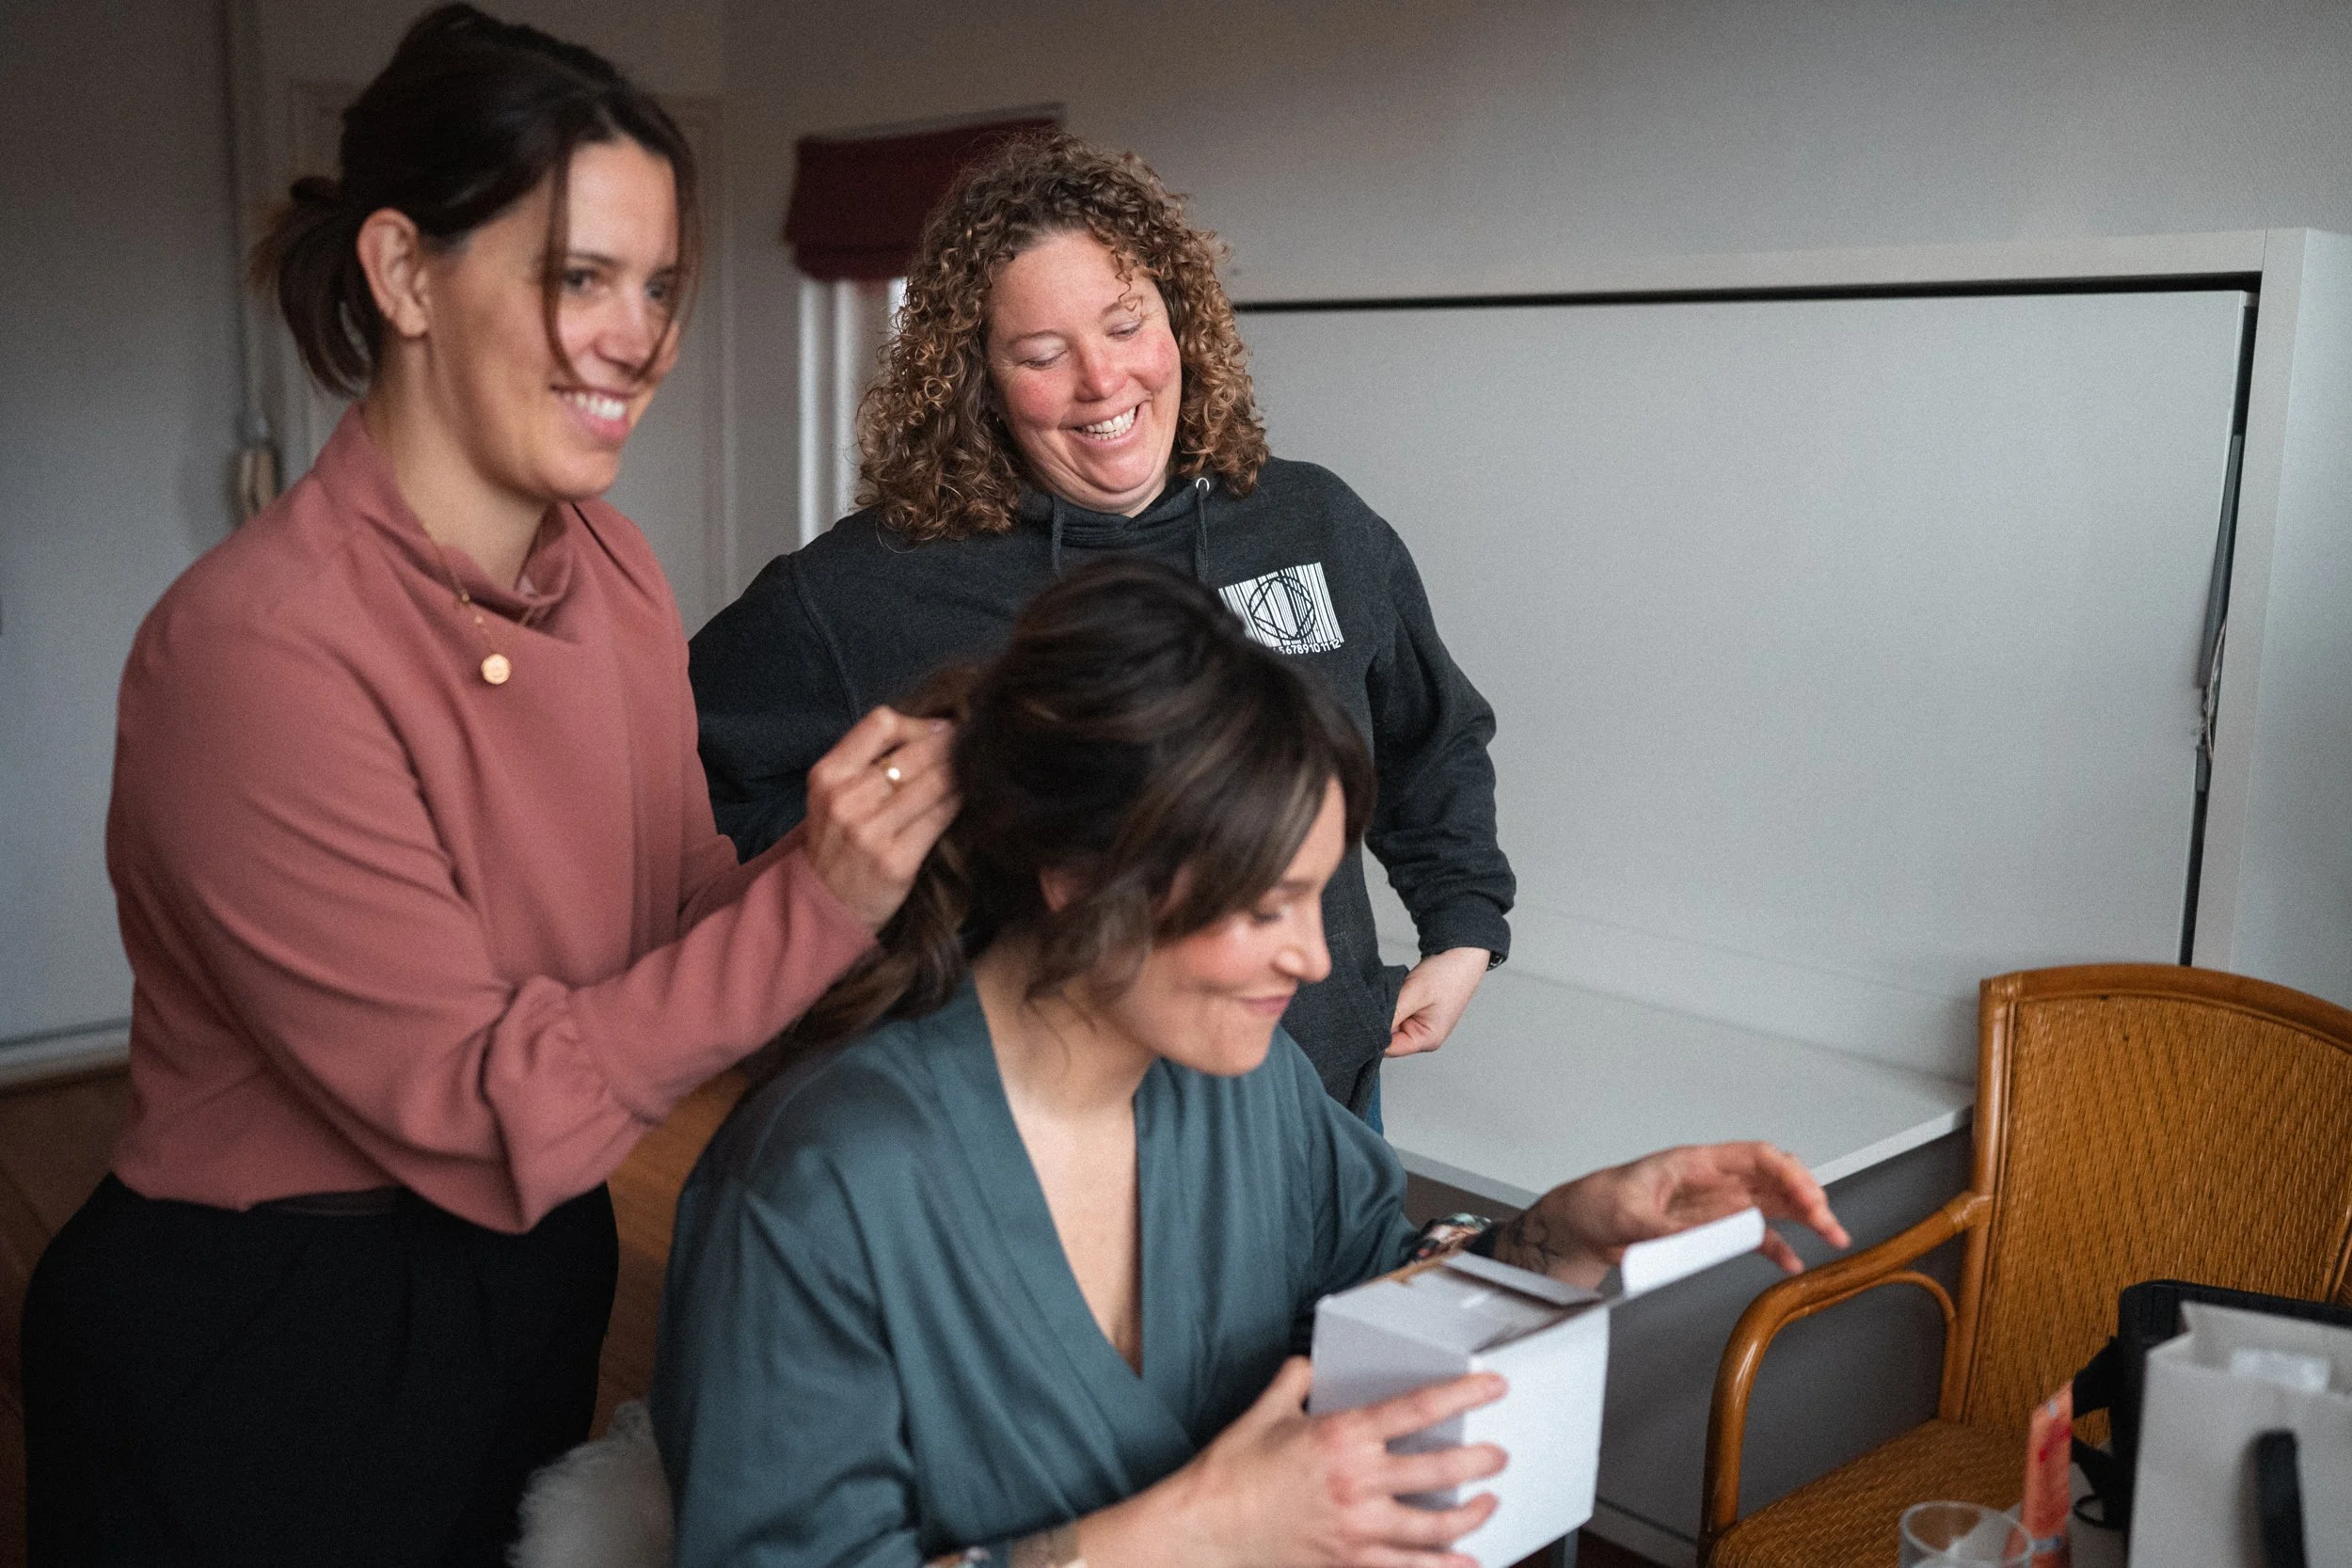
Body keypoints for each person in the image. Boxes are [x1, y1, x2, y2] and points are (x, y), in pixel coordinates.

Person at [21, 9, 953, 1565]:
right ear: (402, 276)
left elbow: (675, 911)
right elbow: (479, 1110)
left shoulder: (612, 566)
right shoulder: (254, 647)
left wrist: (896, 861)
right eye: (578, 276)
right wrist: (821, 893)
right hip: (265, 1331)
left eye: (658, 287)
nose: (635, 337)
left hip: (529, 1272)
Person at [655, 559, 1848, 1568]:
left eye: (1316, 899)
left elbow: (1370, 1321)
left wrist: (1563, 1236)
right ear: (1076, 870)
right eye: (1263, 905)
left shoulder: (1252, 1088)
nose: (1315, 960)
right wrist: (1190, 1531)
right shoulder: (817, 1186)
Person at [689, 133, 1510, 1122]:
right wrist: (893, 906)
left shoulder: (1317, 523)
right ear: (977, 378)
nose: (1101, 380)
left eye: (1125, 325)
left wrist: (1462, 926)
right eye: (1041, 354)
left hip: (1315, 1094)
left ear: (1180, 319)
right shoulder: (863, 589)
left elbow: (1432, 736)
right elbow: (688, 795)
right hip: (1029, 1123)